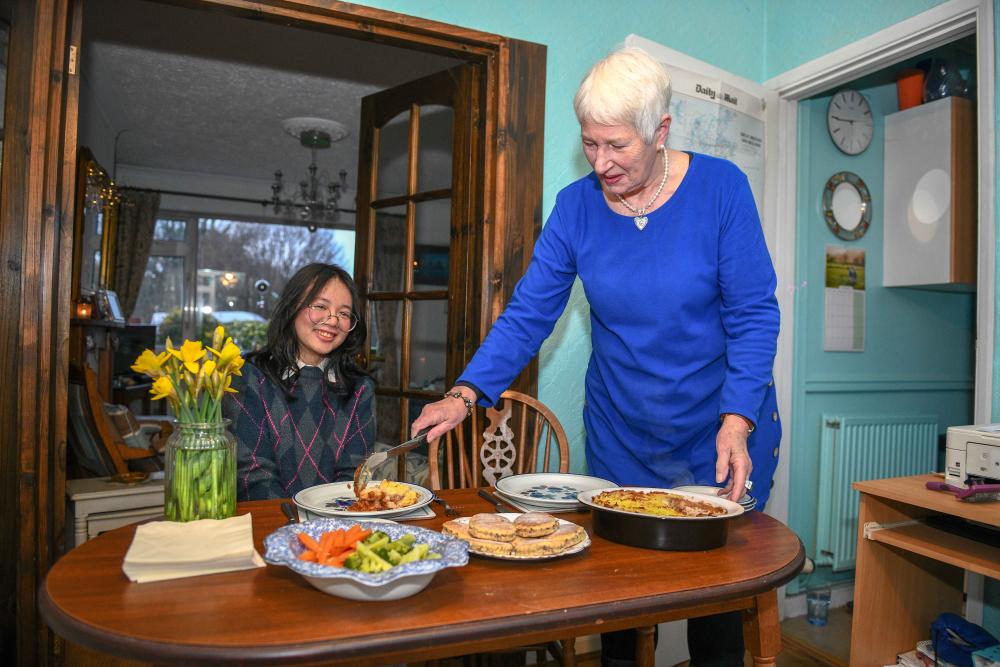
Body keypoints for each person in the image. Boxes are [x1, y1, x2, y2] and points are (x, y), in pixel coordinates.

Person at [411, 47, 781, 666]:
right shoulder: (576, 208)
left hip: (719, 427)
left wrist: (738, 419)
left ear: (660, 131)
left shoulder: (722, 191)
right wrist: (464, 392)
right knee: (619, 595)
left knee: (714, 603)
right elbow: (530, 313)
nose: (602, 163)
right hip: (623, 430)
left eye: (618, 146)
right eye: (591, 144)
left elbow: (753, 314)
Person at [224, 263, 375, 501]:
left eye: (344, 313)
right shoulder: (249, 378)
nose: (333, 320)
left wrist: (322, 531)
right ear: (292, 307)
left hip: (333, 529)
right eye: (320, 306)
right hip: (269, 524)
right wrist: (294, 528)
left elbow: (352, 479)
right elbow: (253, 477)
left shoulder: (360, 388)